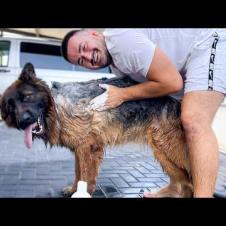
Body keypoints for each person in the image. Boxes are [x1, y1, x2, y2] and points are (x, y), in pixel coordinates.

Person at [61, 28, 226, 198]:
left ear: (94, 33)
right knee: (178, 123)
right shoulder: (116, 65)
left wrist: (122, 94)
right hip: (186, 66)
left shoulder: (119, 40)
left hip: (208, 41)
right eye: (82, 60)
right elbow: (158, 85)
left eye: (84, 47)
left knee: (194, 120)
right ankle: (178, 186)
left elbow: (172, 83)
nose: (88, 57)